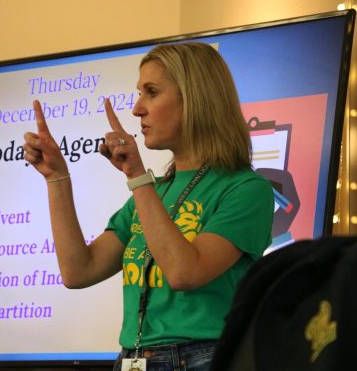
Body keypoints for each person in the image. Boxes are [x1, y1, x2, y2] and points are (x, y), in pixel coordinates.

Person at [23, 42, 274, 371]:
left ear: (195, 98)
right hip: (132, 359)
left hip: (203, 358)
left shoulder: (245, 189)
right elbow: (78, 271)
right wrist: (57, 178)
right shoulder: (153, 192)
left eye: (152, 92)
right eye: (139, 92)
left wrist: (137, 175)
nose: (137, 108)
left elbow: (184, 273)